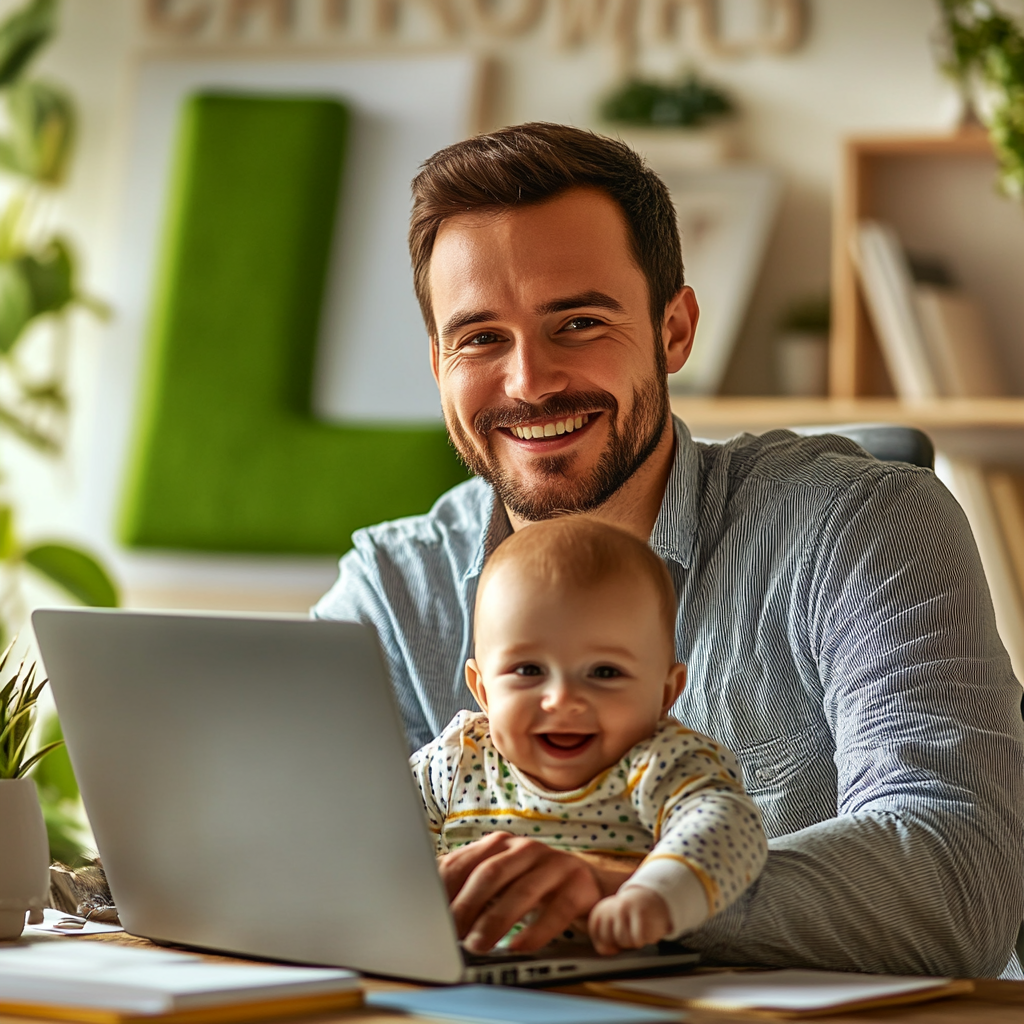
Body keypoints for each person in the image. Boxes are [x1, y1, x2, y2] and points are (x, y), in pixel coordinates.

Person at [314, 123, 1024, 977]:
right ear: (438, 364)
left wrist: (630, 897)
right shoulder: (395, 585)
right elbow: (286, 836)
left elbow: (959, 881)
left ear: (675, 329)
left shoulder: (863, 527)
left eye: (577, 322)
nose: (529, 381)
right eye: (481, 338)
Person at [411, 517, 767, 955]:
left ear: (666, 693)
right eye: (528, 670)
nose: (562, 700)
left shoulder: (662, 763)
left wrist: (652, 896)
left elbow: (729, 828)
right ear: (482, 690)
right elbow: (375, 838)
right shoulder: (454, 761)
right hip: (464, 976)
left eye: (604, 672)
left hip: (622, 986)